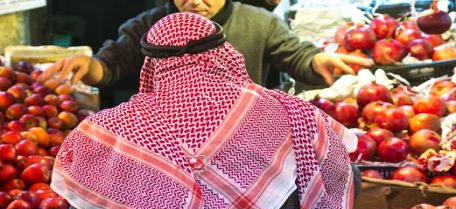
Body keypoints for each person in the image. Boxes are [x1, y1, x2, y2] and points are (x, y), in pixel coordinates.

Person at [51, 12, 360, 209]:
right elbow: (345, 182)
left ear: (151, 64)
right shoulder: (292, 116)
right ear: (225, 52)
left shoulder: (114, 133)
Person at [39, 0, 373, 95]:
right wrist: (89, 66)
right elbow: (113, 62)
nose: (196, 2)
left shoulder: (259, 22)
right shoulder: (148, 24)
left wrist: (318, 61)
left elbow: (296, 55)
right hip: (170, 146)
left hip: (243, 142)